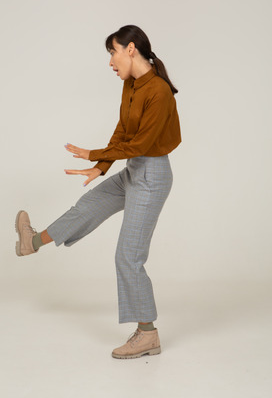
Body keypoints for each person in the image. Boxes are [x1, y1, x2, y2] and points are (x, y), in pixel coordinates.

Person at [15, 25, 181, 359]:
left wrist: (93, 154)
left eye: (112, 52)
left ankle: (148, 334)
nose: (110, 62)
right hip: (134, 169)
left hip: (152, 176)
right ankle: (31, 243)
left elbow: (143, 144)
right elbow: (123, 131)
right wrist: (101, 167)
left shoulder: (159, 91)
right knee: (87, 205)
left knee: (127, 255)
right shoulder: (131, 84)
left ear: (130, 49)